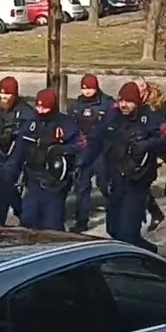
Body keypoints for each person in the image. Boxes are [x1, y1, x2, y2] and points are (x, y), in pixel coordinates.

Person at [81, 81, 166, 251]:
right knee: (114, 229)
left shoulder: (149, 117)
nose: (124, 105)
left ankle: (150, 255)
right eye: (122, 101)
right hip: (115, 179)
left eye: (128, 101)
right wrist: (82, 162)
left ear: (137, 102)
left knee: (128, 232)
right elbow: (96, 139)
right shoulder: (112, 116)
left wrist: (148, 145)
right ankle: (137, 254)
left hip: (137, 181)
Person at [11, 88, 80, 231]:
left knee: (52, 226)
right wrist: (13, 172)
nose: (41, 111)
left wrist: (62, 149)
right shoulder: (31, 124)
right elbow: (20, 149)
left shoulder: (65, 124)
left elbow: (79, 147)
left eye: (45, 107)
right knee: (28, 220)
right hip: (33, 179)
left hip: (54, 183)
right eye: (38, 106)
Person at [69, 74, 113, 233]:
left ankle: (114, 213)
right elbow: (71, 126)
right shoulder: (76, 105)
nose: (87, 91)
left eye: (90, 88)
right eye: (84, 88)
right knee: (81, 186)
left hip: (101, 151)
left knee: (104, 184)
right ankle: (81, 220)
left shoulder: (107, 103)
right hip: (83, 151)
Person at [0, 76, 34, 226]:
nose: (4, 97)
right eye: (1, 93)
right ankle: (21, 212)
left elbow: (26, 140)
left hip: (17, 155)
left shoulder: (26, 113)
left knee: (5, 186)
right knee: (7, 186)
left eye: (7, 94)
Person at [140, 79, 166, 230]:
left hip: (153, 152)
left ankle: (154, 213)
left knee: (142, 184)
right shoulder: (135, 105)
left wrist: (163, 155)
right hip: (137, 153)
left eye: (141, 90)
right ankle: (153, 212)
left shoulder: (159, 107)